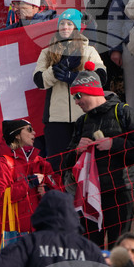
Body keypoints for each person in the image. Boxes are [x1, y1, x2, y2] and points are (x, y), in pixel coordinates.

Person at [61, 68, 134, 246]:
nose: (76, 103)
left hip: (120, 191)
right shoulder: (81, 122)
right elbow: (64, 162)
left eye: (78, 96)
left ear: (91, 91)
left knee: (118, 248)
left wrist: (114, 144)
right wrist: (77, 150)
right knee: (91, 248)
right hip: (90, 195)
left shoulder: (124, 112)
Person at [33, 9, 106, 158]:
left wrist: (75, 77)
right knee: (59, 163)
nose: (65, 27)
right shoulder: (47, 52)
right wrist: (56, 70)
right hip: (56, 119)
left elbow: (101, 76)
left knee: (87, 161)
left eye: (69, 23)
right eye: (62, 23)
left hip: (85, 115)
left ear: (76, 28)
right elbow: (39, 80)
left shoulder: (89, 50)